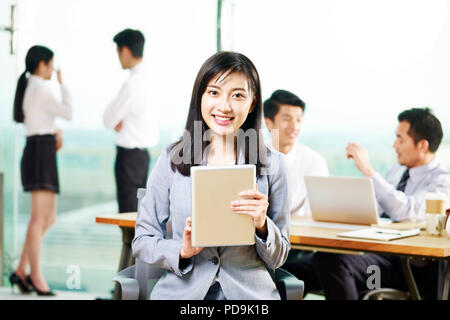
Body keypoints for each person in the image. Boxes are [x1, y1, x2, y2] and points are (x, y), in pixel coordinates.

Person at [132, 51, 291, 299]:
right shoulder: (171, 159)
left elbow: (279, 257)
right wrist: (182, 251)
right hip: (183, 294)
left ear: (251, 103)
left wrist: (262, 226)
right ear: (201, 97)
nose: (224, 106)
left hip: (247, 296)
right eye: (214, 92)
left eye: (237, 95)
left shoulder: (275, 165)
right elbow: (142, 241)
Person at [313, 107, 450, 300]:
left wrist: (369, 171)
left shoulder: (442, 180)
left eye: (400, 139)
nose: (395, 145)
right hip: (372, 251)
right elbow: (378, 208)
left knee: (332, 262)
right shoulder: (397, 170)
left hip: (402, 265)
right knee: (292, 268)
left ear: (422, 145)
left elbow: (407, 211)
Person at [11, 45, 72, 296]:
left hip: (41, 150)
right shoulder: (40, 89)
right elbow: (67, 112)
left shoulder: (33, 88)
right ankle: (35, 276)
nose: (53, 70)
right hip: (39, 153)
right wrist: (63, 84)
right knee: (39, 219)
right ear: (42, 65)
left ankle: (22, 270)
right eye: (51, 65)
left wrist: (55, 131)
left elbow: (42, 122)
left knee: (47, 218)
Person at [263, 89, 328, 296]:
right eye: (287, 119)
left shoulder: (313, 161)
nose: (294, 127)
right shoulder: (253, 157)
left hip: (296, 247)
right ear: (268, 122)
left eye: (299, 120)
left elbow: (319, 211)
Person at [103, 28, 159, 215]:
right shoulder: (150, 79)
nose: (119, 58)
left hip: (129, 158)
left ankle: (131, 246)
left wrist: (117, 121)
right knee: (137, 214)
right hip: (141, 157)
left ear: (125, 50)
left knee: (128, 216)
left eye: (118, 52)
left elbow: (108, 119)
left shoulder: (132, 83)